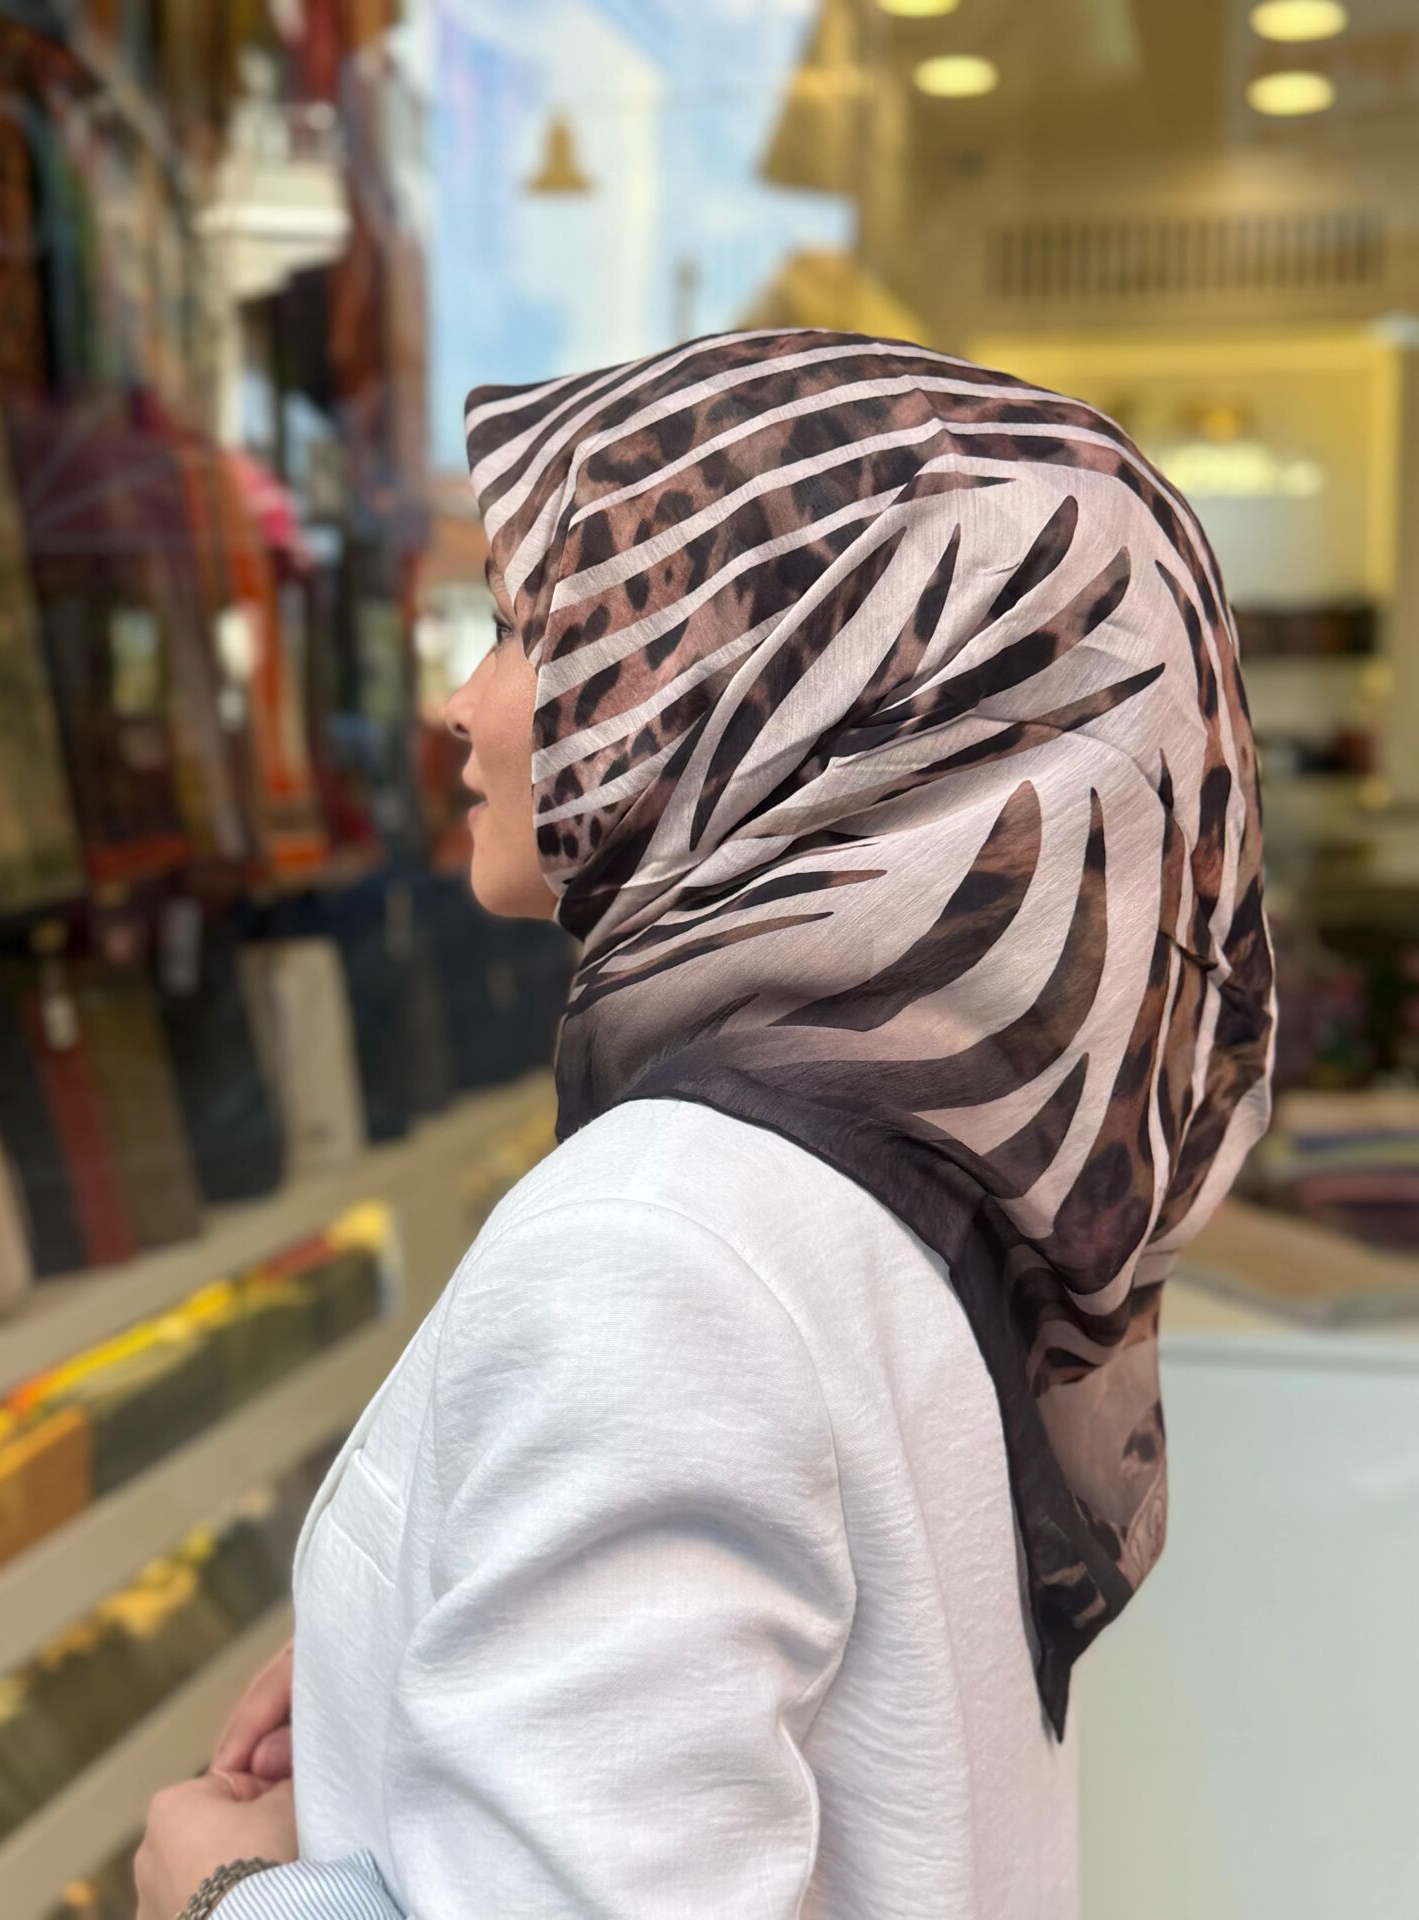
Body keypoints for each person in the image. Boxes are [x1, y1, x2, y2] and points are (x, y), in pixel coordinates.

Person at [137, 328, 1274, 1919]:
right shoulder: (897, 1167)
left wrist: (225, 1895)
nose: (464, 706)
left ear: (772, 689)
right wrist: (405, 1636)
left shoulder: (661, 1246)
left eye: (533, 632)